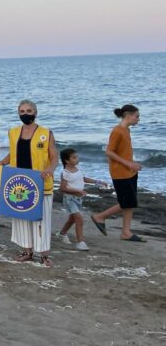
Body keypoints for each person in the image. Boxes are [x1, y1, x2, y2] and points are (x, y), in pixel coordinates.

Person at [0, 99, 57, 267]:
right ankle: (27, 251)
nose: (25, 114)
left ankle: (44, 254)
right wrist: (1, 163)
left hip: (40, 183)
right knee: (21, 217)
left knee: (42, 221)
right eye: (22, 111)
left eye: (29, 111)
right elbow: (12, 153)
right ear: (18, 113)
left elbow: (54, 156)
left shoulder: (46, 133)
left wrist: (51, 169)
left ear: (35, 112)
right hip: (19, 182)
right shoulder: (13, 132)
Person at [91, 104, 144, 242]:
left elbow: (124, 152)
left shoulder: (126, 130)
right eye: (137, 116)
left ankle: (126, 232)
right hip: (120, 172)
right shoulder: (117, 131)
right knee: (127, 201)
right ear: (128, 115)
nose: (138, 119)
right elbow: (109, 151)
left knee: (130, 202)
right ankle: (100, 217)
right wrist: (129, 164)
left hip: (130, 171)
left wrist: (133, 164)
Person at [57, 148, 104, 251]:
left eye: (77, 156)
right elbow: (62, 188)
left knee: (72, 219)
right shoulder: (65, 173)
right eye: (74, 157)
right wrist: (75, 191)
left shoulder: (78, 169)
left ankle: (61, 234)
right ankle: (80, 242)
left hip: (78, 198)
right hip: (70, 199)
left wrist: (97, 182)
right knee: (79, 219)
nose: (77, 159)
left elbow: (83, 178)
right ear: (67, 161)